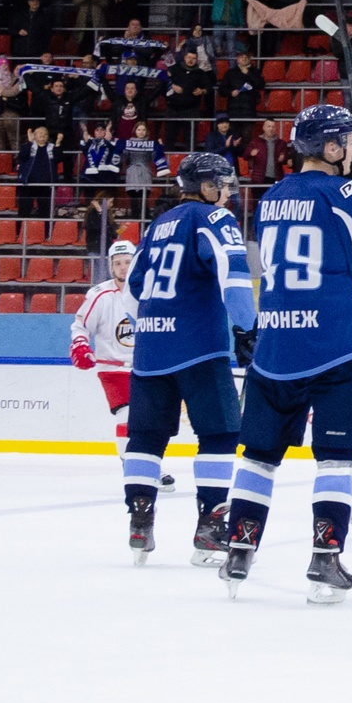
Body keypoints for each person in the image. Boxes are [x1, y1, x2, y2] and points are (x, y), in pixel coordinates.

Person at [217, 106, 352, 605]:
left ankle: (238, 549)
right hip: (336, 344)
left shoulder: (272, 196)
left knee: (258, 456)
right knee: (336, 460)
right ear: (332, 148)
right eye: (349, 143)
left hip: (275, 344)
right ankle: (325, 557)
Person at [121, 154, 255, 564]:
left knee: (145, 438)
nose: (229, 192)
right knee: (219, 434)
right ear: (207, 185)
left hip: (150, 350)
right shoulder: (214, 219)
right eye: (224, 184)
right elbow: (233, 275)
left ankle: (139, 523)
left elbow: (131, 291)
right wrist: (249, 328)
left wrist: (149, 326)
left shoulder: (158, 224)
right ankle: (211, 527)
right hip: (200, 347)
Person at [70, 239, 140, 468]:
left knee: (149, 422)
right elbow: (80, 326)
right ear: (111, 266)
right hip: (113, 370)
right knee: (126, 416)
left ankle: (146, 464)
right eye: (118, 263)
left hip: (143, 368)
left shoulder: (147, 293)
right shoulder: (99, 295)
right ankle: (131, 465)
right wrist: (80, 346)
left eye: (128, 262)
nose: (123, 267)